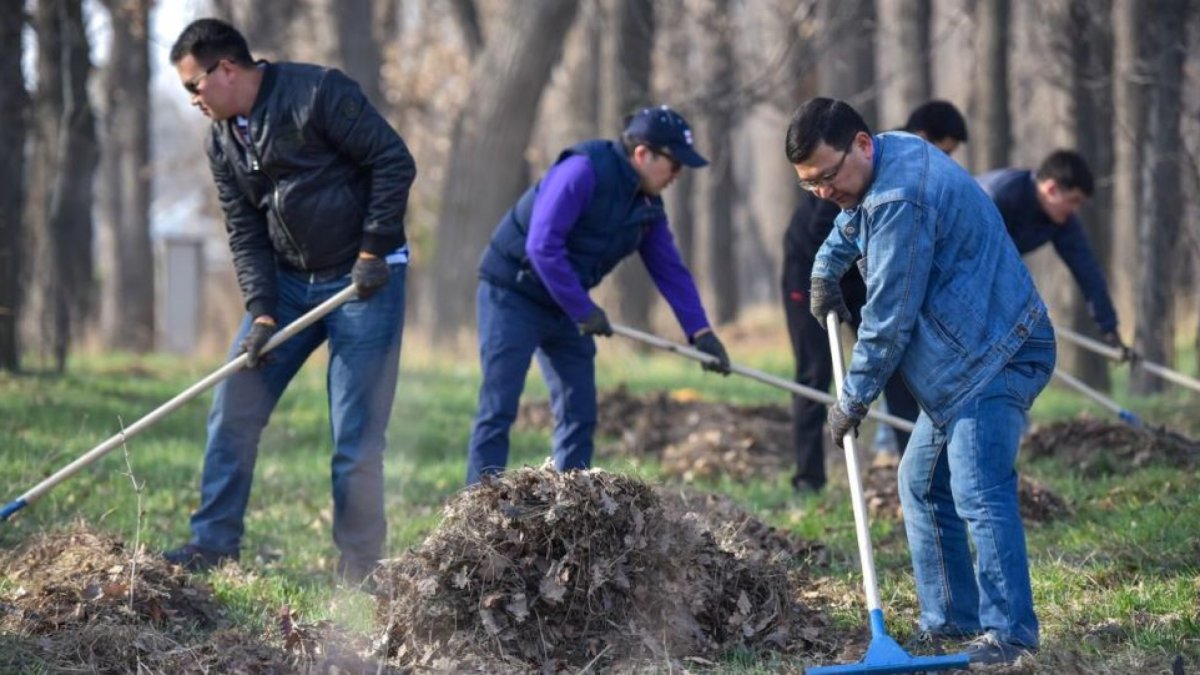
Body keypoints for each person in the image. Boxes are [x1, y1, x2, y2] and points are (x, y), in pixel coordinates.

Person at [786, 97, 1055, 665]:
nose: (824, 191)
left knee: (977, 486)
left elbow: (887, 320)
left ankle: (1011, 635)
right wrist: (825, 268)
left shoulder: (898, 201)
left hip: (996, 353)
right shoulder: (890, 155)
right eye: (810, 184)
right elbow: (850, 219)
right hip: (963, 363)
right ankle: (951, 623)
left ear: (861, 145)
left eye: (828, 176)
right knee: (922, 483)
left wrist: (852, 399)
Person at [164, 19, 416, 585]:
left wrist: (374, 249)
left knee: (355, 436)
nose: (193, 100)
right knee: (234, 407)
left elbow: (393, 160)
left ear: (227, 69)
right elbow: (244, 231)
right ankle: (213, 543)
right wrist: (262, 310)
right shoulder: (221, 140)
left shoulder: (317, 93)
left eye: (193, 86)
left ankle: (360, 570)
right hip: (289, 285)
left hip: (363, 280)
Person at [466, 105, 731, 485]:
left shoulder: (647, 208)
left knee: (579, 410)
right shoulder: (583, 170)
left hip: (565, 304)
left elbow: (670, 271)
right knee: (499, 406)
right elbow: (542, 246)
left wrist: (700, 332)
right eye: (674, 164)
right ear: (643, 153)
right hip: (513, 293)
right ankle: (479, 503)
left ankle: (572, 504)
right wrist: (582, 308)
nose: (677, 175)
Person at [781, 100, 969, 493]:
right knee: (815, 373)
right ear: (925, 137)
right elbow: (826, 230)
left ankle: (916, 469)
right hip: (809, 267)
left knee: (895, 369)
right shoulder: (852, 167)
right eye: (945, 149)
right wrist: (828, 278)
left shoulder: (897, 168)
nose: (945, 159)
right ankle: (808, 479)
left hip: (864, 275)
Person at [978, 150, 1134, 360]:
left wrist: (1110, 329)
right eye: (1073, 200)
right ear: (1051, 189)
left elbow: (1088, 271)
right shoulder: (998, 195)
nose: (1074, 210)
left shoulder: (1062, 221)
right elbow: (972, 254)